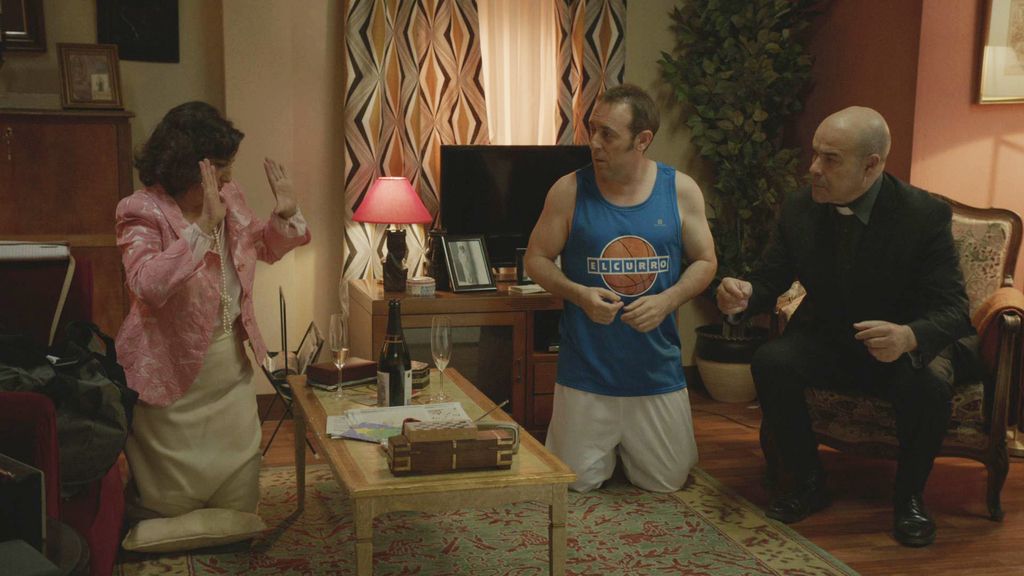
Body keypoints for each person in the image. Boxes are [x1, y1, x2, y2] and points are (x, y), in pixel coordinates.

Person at [716, 106, 978, 547]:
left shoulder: (922, 215)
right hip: (831, 338)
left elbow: (955, 309)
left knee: (930, 387)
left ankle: (909, 498)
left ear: (871, 165)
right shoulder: (800, 207)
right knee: (772, 361)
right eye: (815, 154)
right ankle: (807, 481)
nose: (813, 168)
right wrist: (742, 295)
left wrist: (908, 336)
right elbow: (769, 278)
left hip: (901, 345)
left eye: (830, 159)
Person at [115, 101, 311, 547]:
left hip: (229, 372)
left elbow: (261, 247)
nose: (226, 178)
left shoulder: (231, 197)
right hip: (168, 376)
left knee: (239, 502)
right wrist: (202, 228)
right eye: (218, 167)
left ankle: (222, 527)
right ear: (185, 165)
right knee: (169, 503)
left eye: (228, 166)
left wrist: (285, 214)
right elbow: (146, 284)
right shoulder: (140, 209)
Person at [525, 84, 716, 493]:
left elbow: (705, 261)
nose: (594, 142)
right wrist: (579, 294)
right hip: (586, 372)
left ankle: (627, 454)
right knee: (574, 483)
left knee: (666, 483)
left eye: (608, 134)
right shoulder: (569, 190)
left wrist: (667, 300)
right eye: (592, 129)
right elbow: (536, 258)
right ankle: (609, 454)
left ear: (642, 140)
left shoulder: (680, 190)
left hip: (656, 371)